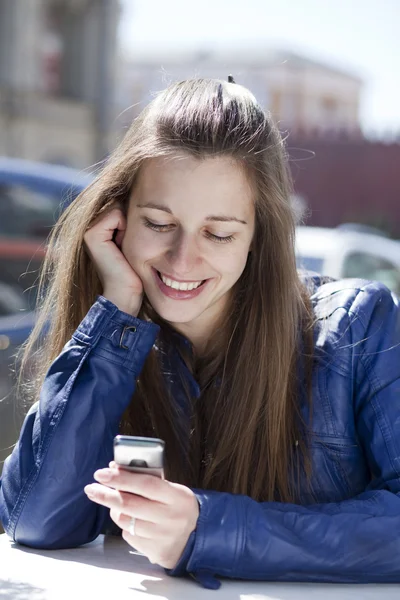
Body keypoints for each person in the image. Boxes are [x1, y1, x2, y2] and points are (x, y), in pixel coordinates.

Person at [1, 78, 400, 590]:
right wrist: (116, 316)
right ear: (118, 221)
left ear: (259, 236)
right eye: (159, 223)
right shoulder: (117, 338)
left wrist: (207, 529)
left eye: (218, 233)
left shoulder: (359, 326)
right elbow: (35, 521)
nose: (183, 260)